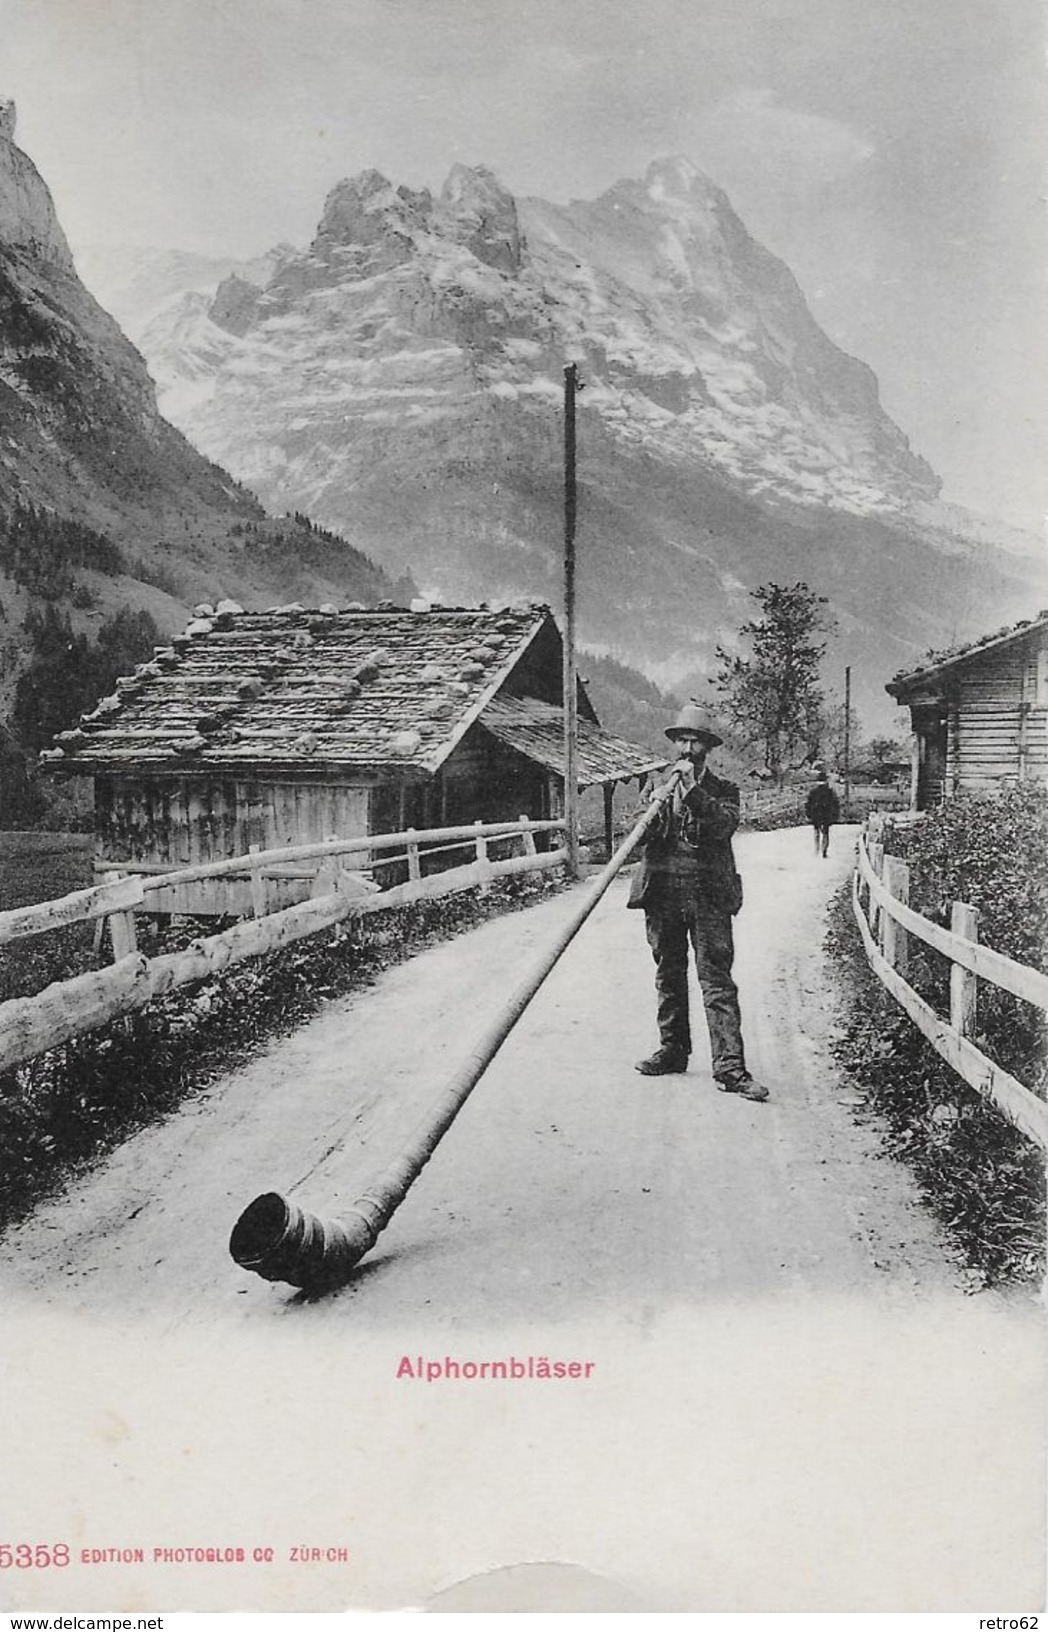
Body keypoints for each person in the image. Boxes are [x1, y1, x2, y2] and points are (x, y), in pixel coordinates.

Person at [627, 702, 768, 1102]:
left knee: (716, 980)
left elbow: (723, 826)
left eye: (696, 741)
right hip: (663, 894)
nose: (687, 748)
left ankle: (730, 1067)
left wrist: (692, 792)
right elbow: (639, 836)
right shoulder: (655, 784)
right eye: (682, 740)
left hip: (708, 897)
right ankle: (673, 1050)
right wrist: (655, 806)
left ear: (708, 747)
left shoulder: (724, 791)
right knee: (668, 974)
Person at [804, 764, 840, 858]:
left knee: (816, 832)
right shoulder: (830, 791)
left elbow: (808, 803)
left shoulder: (814, 791)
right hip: (826, 814)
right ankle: (824, 851)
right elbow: (835, 804)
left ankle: (817, 849)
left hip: (816, 813)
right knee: (825, 833)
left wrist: (808, 814)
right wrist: (835, 815)